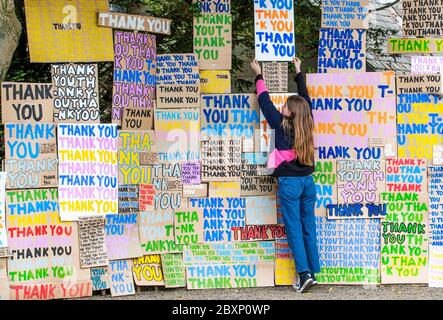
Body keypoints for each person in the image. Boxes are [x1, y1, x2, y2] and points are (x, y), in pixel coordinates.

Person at [250, 57, 320, 293]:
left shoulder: (280, 123)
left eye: (286, 106)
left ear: (290, 112)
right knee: (308, 225)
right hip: (308, 183)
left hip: (289, 184)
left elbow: (264, 100)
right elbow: (305, 99)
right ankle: (312, 270)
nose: (282, 107)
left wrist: (259, 74)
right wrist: (298, 71)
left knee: (293, 227)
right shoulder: (307, 121)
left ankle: (304, 275)